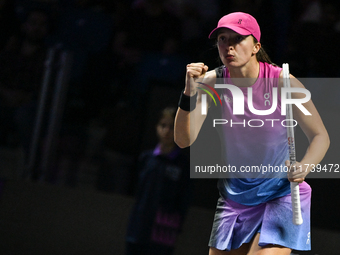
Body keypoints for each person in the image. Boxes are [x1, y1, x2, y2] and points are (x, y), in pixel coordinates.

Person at [174, 12, 330, 255]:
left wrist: (305, 166)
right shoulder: (212, 83)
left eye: (237, 39)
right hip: (235, 195)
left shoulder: (283, 82)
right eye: (223, 39)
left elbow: (320, 136)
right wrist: (188, 94)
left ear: (256, 46)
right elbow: (183, 140)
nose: (228, 46)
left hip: (281, 193)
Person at [125, 107, 192, 255]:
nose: (167, 131)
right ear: (157, 127)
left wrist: (176, 226)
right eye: (163, 125)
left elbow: (184, 199)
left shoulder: (183, 164)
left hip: (163, 232)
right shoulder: (147, 158)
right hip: (138, 230)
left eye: (172, 127)